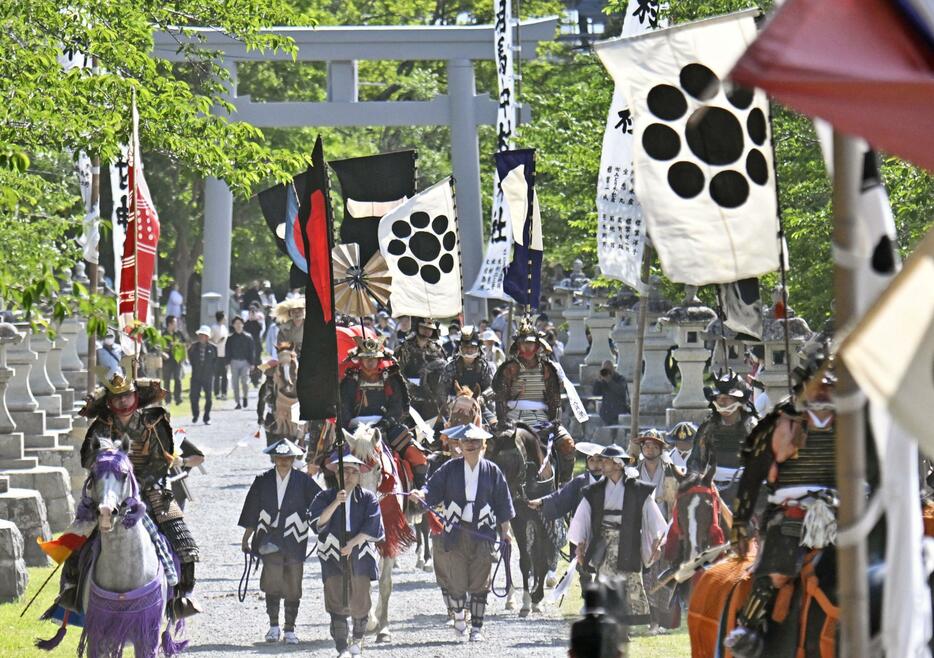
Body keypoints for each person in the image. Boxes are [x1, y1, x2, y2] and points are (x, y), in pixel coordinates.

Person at [725, 337, 840, 658]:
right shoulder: (781, 423)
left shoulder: (855, 426)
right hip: (792, 514)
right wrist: (740, 523)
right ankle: (749, 630)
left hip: (847, 513)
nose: (823, 392)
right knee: (776, 575)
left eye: (830, 385)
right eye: (818, 384)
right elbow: (751, 477)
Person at [76, 374, 201, 618]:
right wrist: (107, 468)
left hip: (151, 490)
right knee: (76, 542)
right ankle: (71, 591)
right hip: (109, 490)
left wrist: (134, 486)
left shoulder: (154, 421)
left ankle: (182, 597)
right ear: (110, 401)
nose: (123, 402)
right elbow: (87, 459)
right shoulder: (101, 426)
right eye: (117, 398)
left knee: (185, 544)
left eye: (127, 396)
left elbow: (161, 461)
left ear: (136, 396)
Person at [410, 423, 515, 642]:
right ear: (459, 445)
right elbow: (432, 488)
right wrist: (421, 493)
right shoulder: (449, 469)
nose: (471, 445)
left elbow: (503, 503)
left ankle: (476, 628)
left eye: (476, 442)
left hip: (483, 534)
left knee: (479, 581)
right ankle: (459, 620)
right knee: (456, 579)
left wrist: (505, 532)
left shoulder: (492, 471)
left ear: (483, 445)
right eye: (466, 441)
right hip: (455, 533)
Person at [568, 444, 667, 641]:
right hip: (604, 543)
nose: (601, 464)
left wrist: (657, 539)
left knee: (630, 581)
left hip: (629, 542)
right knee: (607, 583)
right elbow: (582, 517)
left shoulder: (637, 489)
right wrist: (580, 544)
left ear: (617, 464)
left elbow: (652, 513)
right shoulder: (594, 491)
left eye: (605, 460)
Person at [239, 438, 323, 645]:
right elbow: (252, 510)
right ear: (274, 458)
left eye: (288, 457)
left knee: (294, 583)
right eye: (280, 457)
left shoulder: (304, 481)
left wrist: (325, 529)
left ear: (294, 458)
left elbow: (319, 505)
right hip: (269, 536)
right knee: (272, 581)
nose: (284, 461)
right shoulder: (262, 480)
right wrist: (246, 537)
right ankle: (273, 626)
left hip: (295, 537)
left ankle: (290, 629)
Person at [309, 451, 384, 658]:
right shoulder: (324, 496)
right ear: (337, 474)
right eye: (345, 471)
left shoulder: (368, 497)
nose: (349, 475)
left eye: (353, 471)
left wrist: (353, 543)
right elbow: (318, 523)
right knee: (335, 598)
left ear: (359, 474)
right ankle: (341, 647)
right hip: (332, 552)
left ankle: (357, 642)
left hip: (359, 550)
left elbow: (373, 526)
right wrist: (335, 502)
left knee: (360, 598)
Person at [492, 318, 576, 483]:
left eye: (530, 344)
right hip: (513, 419)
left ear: (538, 345)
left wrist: (555, 421)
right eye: (523, 344)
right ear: (518, 346)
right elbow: (500, 397)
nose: (527, 347)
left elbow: (555, 399)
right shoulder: (508, 368)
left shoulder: (548, 368)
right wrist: (503, 421)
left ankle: (565, 484)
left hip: (543, 419)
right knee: (489, 447)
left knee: (568, 444)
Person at [339, 336, 427, 486]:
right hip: (355, 429)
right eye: (366, 358)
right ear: (360, 359)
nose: (370, 361)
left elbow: (397, 406)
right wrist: (350, 426)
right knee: (330, 461)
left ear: (380, 359)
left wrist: (384, 424)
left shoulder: (390, 378)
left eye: (374, 358)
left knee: (417, 455)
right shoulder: (350, 380)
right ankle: (336, 497)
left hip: (387, 427)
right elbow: (344, 407)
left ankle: (419, 492)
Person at [528, 441, 604, 585]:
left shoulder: (611, 482)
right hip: (583, 534)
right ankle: (588, 599)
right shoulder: (580, 482)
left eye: (599, 460)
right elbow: (561, 497)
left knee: (605, 573)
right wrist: (542, 502)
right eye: (592, 460)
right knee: (584, 572)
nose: (596, 463)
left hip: (605, 534)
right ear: (587, 463)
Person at [633, 429, 683, 634]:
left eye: (654, 446)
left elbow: (678, 502)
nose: (649, 449)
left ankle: (663, 620)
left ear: (661, 448)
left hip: (667, 527)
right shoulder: (634, 471)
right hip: (642, 528)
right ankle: (651, 619)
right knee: (646, 576)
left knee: (665, 575)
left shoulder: (672, 470)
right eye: (646, 445)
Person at [687, 371, 757, 486]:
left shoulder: (751, 425)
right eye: (719, 398)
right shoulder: (709, 426)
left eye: (728, 398)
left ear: (738, 401)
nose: (723, 402)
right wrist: (694, 477)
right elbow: (697, 459)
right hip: (714, 482)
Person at [436, 327, 496, 426]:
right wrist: (446, 408)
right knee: (437, 433)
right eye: (466, 347)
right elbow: (441, 391)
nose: (469, 351)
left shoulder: (484, 366)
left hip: (478, 405)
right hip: (454, 406)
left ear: (478, 349)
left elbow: (491, 387)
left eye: (472, 347)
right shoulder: (451, 366)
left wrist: (482, 399)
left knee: (495, 428)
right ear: (460, 348)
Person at [396, 317, 447, 418]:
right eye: (423, 327)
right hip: (409, 395)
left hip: (432, 397)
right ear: (417, 327)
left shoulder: (437, 349)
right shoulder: (405, 348)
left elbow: (444, 369)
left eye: (429, 329)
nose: (426, 331)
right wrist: (411, 388)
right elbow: (398, 372)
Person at [189, 325, 217, 425]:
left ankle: (207, 417)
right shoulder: (193, 347)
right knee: (194, 397)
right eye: (200, 335)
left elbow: (215, 362)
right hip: (196, 375)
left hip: (208, 376)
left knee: (209, 398)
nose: (201, 337)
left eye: (204, 335)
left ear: (207, 337)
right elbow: (191, 359)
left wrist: (212, 373)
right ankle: (195, 414)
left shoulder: (213, 348)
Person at [226, 316, 256, 410]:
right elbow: (227, 351)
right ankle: (237, 402)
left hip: (245, 362)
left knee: (245, 382)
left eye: (240, 323)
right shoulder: (230, 338)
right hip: (234, 361)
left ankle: (245, 397)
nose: (238, 325)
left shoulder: (248, 337)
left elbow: (252, 351)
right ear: (233, 325)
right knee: (235, 383)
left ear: (243, 325)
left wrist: (252, 363)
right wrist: (227, 363)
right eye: (236, 323)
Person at [592, 360, 630, 427]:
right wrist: (598, 382)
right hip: (606, 413)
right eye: (605, 370)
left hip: (618, 412)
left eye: (609, 370)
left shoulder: (620, 379)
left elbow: (620, 391)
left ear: (613, 369)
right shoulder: (603, 380)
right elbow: (596, 393)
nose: (607, 373)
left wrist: (609, 381)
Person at [161, 316, 186, 406]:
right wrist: (169, 347)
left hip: (177, 361)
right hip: (167, 361)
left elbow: (185, 343)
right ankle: (167, 399)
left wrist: (180, 346)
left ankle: (178, 398)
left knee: (178, 379)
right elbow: (161, 347)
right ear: (170, 324)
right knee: (166, 380)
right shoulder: (163, 335)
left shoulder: (178, 334)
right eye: (175, 323)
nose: (176, 325)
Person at [210, 311, 229, 400]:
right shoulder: (214, 327)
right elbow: (210, 339)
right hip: (216, 354)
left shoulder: (224, 328)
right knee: (217, 374)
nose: (225, 318)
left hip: (224, 354)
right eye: (224, 317)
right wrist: (217, 342)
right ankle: (217, 393)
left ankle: (224, 393)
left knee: (224, 375)